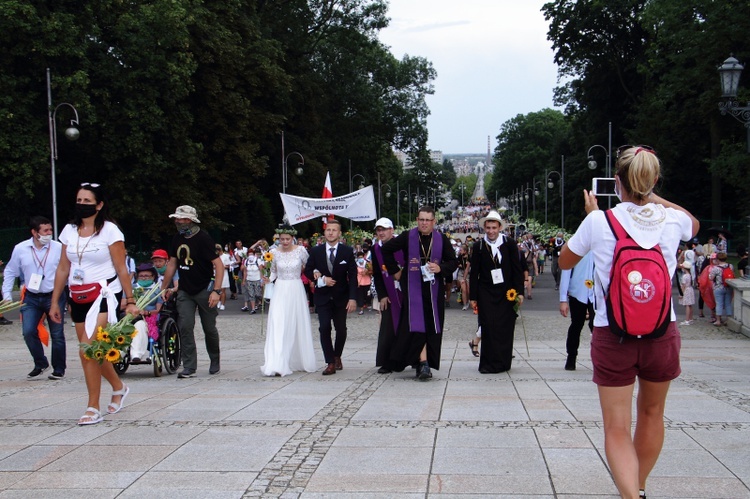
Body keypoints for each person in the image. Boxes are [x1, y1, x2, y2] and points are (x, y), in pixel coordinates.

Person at [559, 145, 698, 499]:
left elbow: (564, 261)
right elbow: (693, 224)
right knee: (652, 414)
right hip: (661, 332)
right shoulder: (671, 220)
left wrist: (592, 214)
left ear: (617, 182)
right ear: (652, 180)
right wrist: (652, 194)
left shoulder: (599, 221)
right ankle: (637, 486)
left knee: (617, 427)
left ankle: (630, 496)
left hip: (613, 333)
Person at [49, 183, 140, 425]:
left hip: (103, 294)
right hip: (77, 294)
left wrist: (130, 300)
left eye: (87, 201)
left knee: (87, 351)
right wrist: (55, 301)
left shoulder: (110, 231)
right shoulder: (69, 231)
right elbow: (62, 267)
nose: (82, 204)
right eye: (79, 199)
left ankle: (92, 407)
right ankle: (119, 387)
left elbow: (121, 268)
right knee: (93, 353)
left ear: (99, 205)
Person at [382, 206, 458, 380]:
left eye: (428, 220)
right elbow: (386, 249)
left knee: (430, 326)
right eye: (421, 219)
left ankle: (423, 362)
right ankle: (423, 363)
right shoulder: (408, 236)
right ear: (417, 220)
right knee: (417, 325)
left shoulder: (441, 239)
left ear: (434, 222)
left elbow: (453, 262)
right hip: (412, 288)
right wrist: (395, 271)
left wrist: (440, 268)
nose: (424, 223)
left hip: (434, 288)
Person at [160, 205, 224, 378]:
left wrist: (216, 291)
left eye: (180, 219)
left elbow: (218, 265)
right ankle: (189, 365)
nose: (177, 222)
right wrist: (164, 287)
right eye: (177, 219)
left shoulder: (203, 238)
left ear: (189, 220)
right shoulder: (176, 239)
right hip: (185, 290)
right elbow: (172, 263)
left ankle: (215, 359)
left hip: (204, 288)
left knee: (209, 328)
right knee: (185, 326)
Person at [3, 216, 66, 379]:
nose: (49, 233)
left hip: (54, 295)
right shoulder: (21, 248)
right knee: (28, 331)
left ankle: (59, 368)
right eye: (45, 230)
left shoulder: (58, 248)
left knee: (57, 333)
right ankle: (40, 362)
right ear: (34, 232)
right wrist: (7, 295)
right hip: (31, 296)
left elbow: (67, 271)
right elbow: (10, 271)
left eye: (50, 230)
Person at [468, 211, 524, 373]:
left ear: (500, 227)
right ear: (484, 228)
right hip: (485, 291)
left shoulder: (509, 244)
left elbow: (517, 270)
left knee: (505, 326)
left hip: (507, 291)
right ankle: (487, 363)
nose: (491, 231)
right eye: (488, 228)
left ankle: (503, 361)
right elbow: (474, 273)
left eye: (494, 227)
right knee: (488, 325)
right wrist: (473, 296)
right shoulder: (478, 246)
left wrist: (519, 291)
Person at [260, 226, 317, 376]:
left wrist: (314, 276)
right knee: (278, 323)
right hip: (280, 289)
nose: (284, 242)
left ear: (292, 238)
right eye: (282, 239)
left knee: (294, 322)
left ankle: (296, 359)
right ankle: (277, 362)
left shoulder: (300, 251)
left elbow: (309, 266)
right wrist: (267, 279)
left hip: (295, 288)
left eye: (287, 239)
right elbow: (273, 272)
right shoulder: (273, 253)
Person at [304, 219, 357, 375]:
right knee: (324, 327)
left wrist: (353, 298)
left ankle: (337, 354)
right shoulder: (316, 251)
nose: (331, 232)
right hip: (322, 297)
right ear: (324, 232)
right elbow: (307, 271)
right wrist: (318, 277)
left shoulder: (347, 251)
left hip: (341, 297)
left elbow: (353, 276)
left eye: (334, 230)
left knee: (341, 329)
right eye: (328, 230)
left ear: (339, 233)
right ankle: (330, 362)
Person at [370, 218, 403, 374]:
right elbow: (377, 273)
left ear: (391, 230)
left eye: (384, 229)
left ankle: (415, 359)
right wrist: (382, 295)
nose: (381, 233)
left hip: (405, 290)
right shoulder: (375, 249)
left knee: (409, 325)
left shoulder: (402, 243)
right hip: (389, 292)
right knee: (388, 327)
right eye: (378, 230)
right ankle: (387, 361)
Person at [559, 251, 595, 371]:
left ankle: (599, 358)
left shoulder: (603, 244)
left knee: (597, 326)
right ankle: (571, 356)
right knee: (576, 324)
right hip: (578, 291)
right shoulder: (577, 247)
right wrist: (563, 299)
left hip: (597, 294)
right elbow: (566, 271)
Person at [129, 263, 163, 363]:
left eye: (147, 276)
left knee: (140, 325)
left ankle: (136, 354)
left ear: (153, 277)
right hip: (131, 315)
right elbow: (122, 304)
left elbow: (158, 310)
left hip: (149, 317)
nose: (144, 278)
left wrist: (146, 312)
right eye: (141, 276)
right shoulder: (131, 289)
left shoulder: (157, 291)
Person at [708, 252, 734, 327]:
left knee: (719, 303)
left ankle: (718, 320)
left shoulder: (715, 268)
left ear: (718, 259)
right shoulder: (730, 266)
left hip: (718, 287)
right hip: (728, 287)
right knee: (728, 303)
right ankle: (728, 319)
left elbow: (711, 278)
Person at [241, 248, 263, 314]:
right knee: (251, 294)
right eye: (249, 254)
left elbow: (261, 271)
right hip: (249, 280)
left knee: (258, 294)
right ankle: (253, 309)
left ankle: (260, 301)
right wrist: (244, 280)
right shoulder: (246, 261)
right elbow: (245, 271)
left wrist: (262, 281)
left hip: (257, 279)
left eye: (252, 254)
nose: (250, 256)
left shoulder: (258, 261)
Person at [215, 244, 232, 310]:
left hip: (224, 274)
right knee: (217, 289)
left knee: (222, 290)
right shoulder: (216, 256)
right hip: (216, 274)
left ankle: (223, 304)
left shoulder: (226, 256)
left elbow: (228, 266)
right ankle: (218, 301)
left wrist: (220, 267)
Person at [678, 261, 695, 326]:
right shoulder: (689, 275)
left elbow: (683, 286)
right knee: (690, 305)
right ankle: (690, 319)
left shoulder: (684, 276)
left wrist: (681, 294)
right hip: (690, 289)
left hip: (686, 290)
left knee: (687, 305)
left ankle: (687, 320)